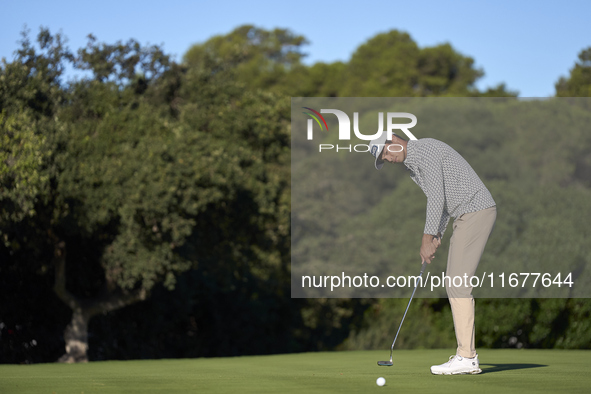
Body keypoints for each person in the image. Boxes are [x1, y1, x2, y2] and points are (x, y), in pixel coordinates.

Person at [369, 132, 497, 375]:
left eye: (387, 152)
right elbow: (443, 202)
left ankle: (467, 356)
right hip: (465, 213)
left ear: (394, 140)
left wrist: (426, 238)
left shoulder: (423, 150)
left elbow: (437, 198)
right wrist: (436, 234)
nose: (389, 159)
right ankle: (466, 355)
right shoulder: (414, 166)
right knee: (454, 282)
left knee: (457, 284)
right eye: (384, 158)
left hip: (475, 210)